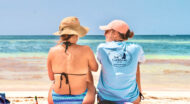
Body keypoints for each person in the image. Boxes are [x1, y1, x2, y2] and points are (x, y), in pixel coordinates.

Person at [47, 16, 98, 104]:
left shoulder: (52, 51)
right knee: (89, 78)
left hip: (56, 99)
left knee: (54, 84)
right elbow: (95, 68)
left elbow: (51, 77)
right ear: (76, 34)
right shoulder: (86, 49)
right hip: (83, 99)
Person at [97, 20, 146, 104]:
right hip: (131, 99)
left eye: (106, 31)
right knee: (136, 64)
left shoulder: (102, 48)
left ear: (115, 33)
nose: (104, 34)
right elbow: (137, 70)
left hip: (105, 98)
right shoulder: (136, 48)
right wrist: (139, 93)